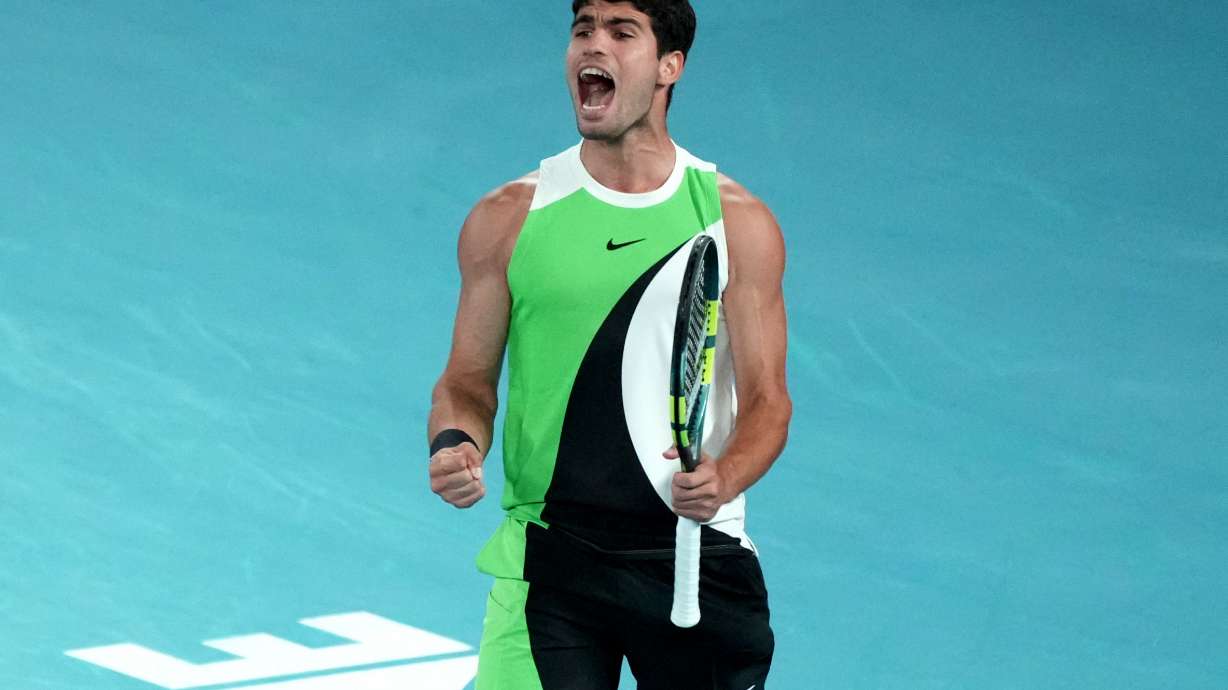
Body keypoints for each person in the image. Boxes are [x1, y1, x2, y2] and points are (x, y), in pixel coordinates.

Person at [427, 1, 791, 687]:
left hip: (692, 558)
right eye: (583, 29)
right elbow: (465, 383)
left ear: (669, 66)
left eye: (622, 32)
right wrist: (455, 442)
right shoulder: (508, 218)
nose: (593, 45)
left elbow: (769, 402)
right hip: (551, 559)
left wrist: (725, 477)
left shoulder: (735, 223)